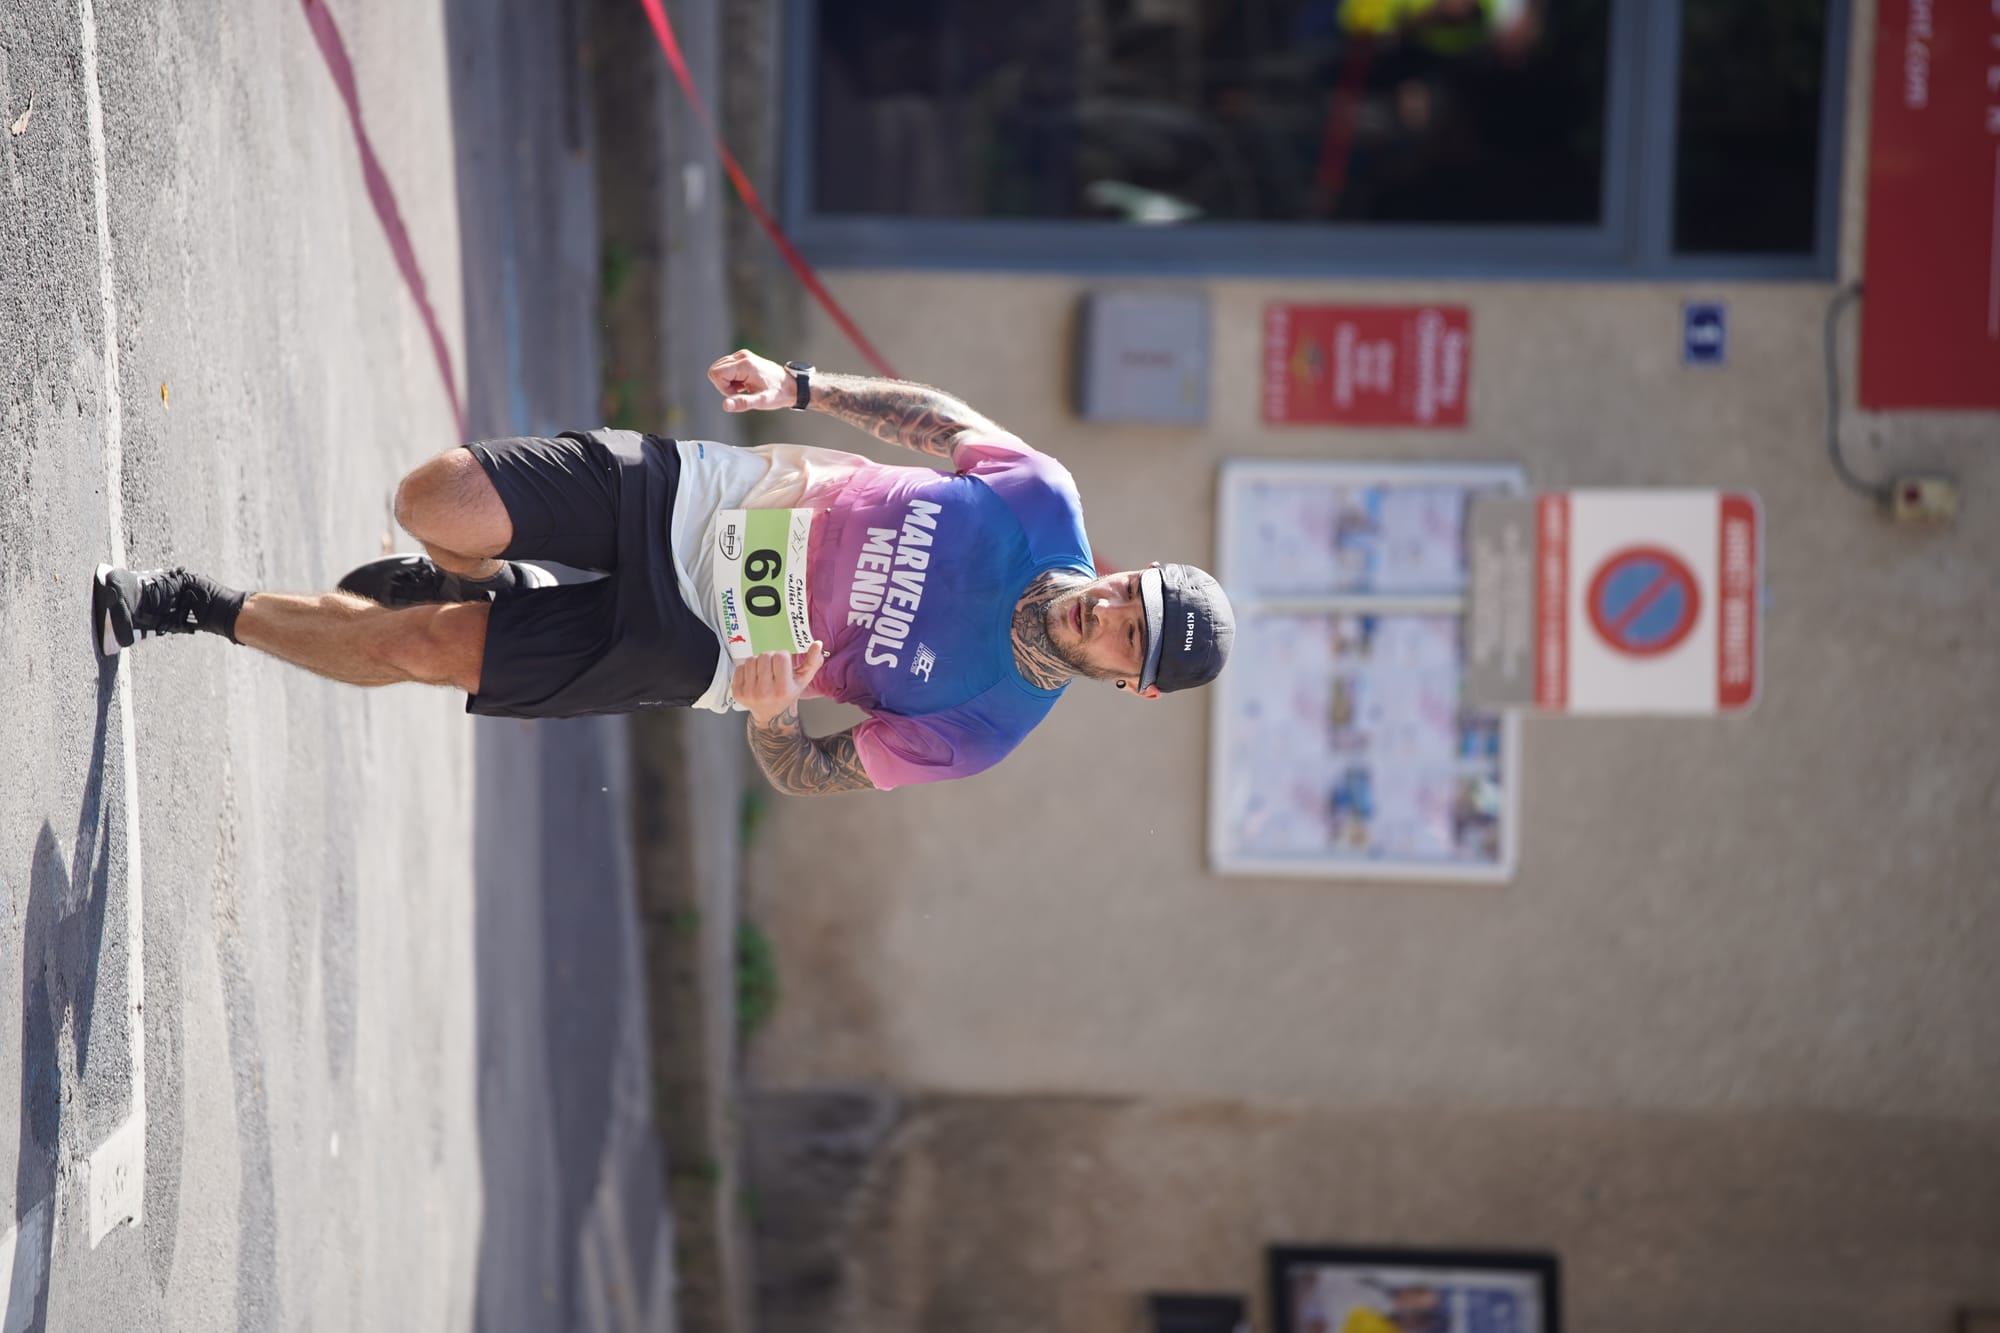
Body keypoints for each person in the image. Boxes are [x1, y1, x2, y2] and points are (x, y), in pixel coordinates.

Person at [91, 350, 1234, 795]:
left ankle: (193, 605)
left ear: (1126, 681)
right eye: (1132, 595)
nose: (1111, 610)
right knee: (434, 500)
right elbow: (940, 423)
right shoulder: (1044, 502)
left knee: (420, 649)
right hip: (698, 498)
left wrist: (777, 705)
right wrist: (800, 385)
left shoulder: (980, 724)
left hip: (695, 650)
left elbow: (813, 773)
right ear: (1127, 572)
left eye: (1130, 635)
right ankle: (478, 574)